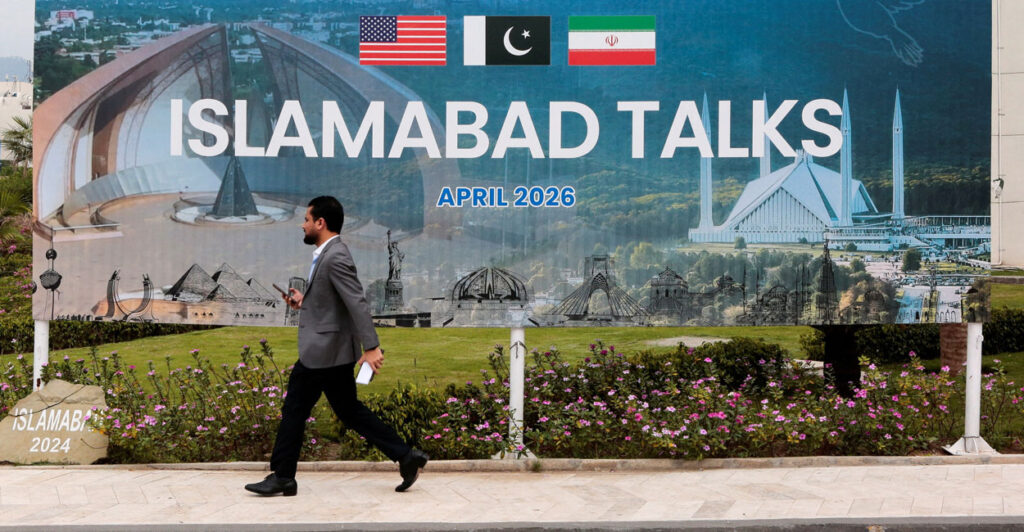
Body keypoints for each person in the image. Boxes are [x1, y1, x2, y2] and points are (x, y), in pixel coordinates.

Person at [245, 196, 428, 497]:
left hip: (322, 352)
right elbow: (336, 302)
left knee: (294, 410)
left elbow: (357, 302)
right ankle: (407, 456)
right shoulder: (328, 254)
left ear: (321, 223)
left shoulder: (335, 256)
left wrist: (371, 347)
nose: (302, 225)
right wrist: (304, 301)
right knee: (348, 411)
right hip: (332, 351)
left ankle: (283, 476)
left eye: (306, 219)